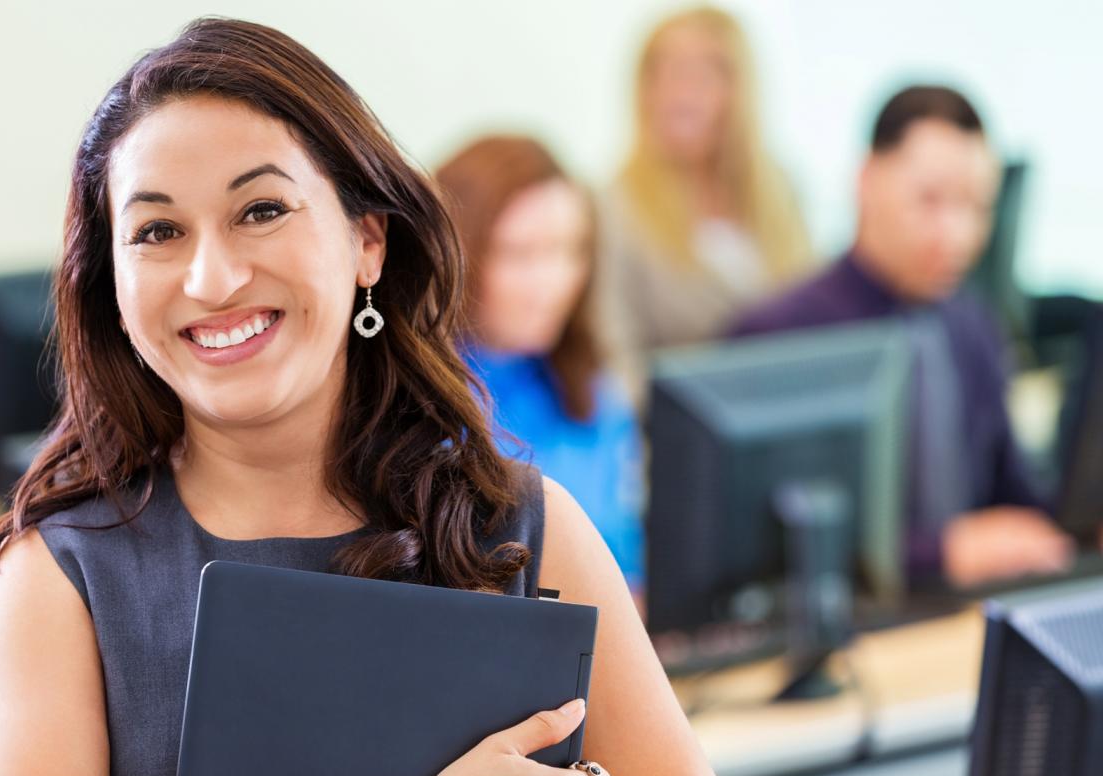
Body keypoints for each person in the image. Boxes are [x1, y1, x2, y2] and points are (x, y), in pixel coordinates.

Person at [0, 18, 723, 776]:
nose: (212, 279)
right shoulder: (53, 582)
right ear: (112, 293)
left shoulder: (525, 526)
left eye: (260, 210)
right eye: (157, 231)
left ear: (368, 240)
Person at [730, 84, 1075, 589]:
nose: (955, 234)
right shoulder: (779, 334)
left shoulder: (972, 325)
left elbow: (1016, 492)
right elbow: (764, 546)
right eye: (930, 200)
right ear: (867, 180)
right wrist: (941, 552)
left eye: (977, 207)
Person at [435, 136, 645, 592]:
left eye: (570, 251)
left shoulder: (594, 393)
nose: (553, 283)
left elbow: (629, 570)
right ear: (455, 255)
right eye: (520, 254)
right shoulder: (419, 405)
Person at [599, 5, 812, 359]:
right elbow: (614, 354)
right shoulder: (612, 207)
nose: (681, 92)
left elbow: (812, 319)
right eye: (664, 72)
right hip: (675, 412)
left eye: (703, 73)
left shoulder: (782, 189)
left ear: (739, 89)